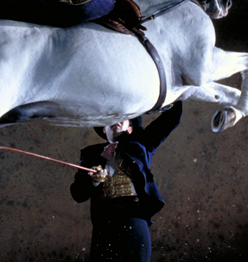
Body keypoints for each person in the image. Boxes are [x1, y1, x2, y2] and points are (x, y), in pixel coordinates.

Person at [70, 101, 183, 262]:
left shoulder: (141, 144)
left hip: (134, 220)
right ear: (104, 128)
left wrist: (176, 97)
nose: (117, 119)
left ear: (130, 129)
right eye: (111, 118)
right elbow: (77, 194)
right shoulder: (91, 155)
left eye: (123, 117)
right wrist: (93, 180)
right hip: (104, 226)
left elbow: (171, 118)